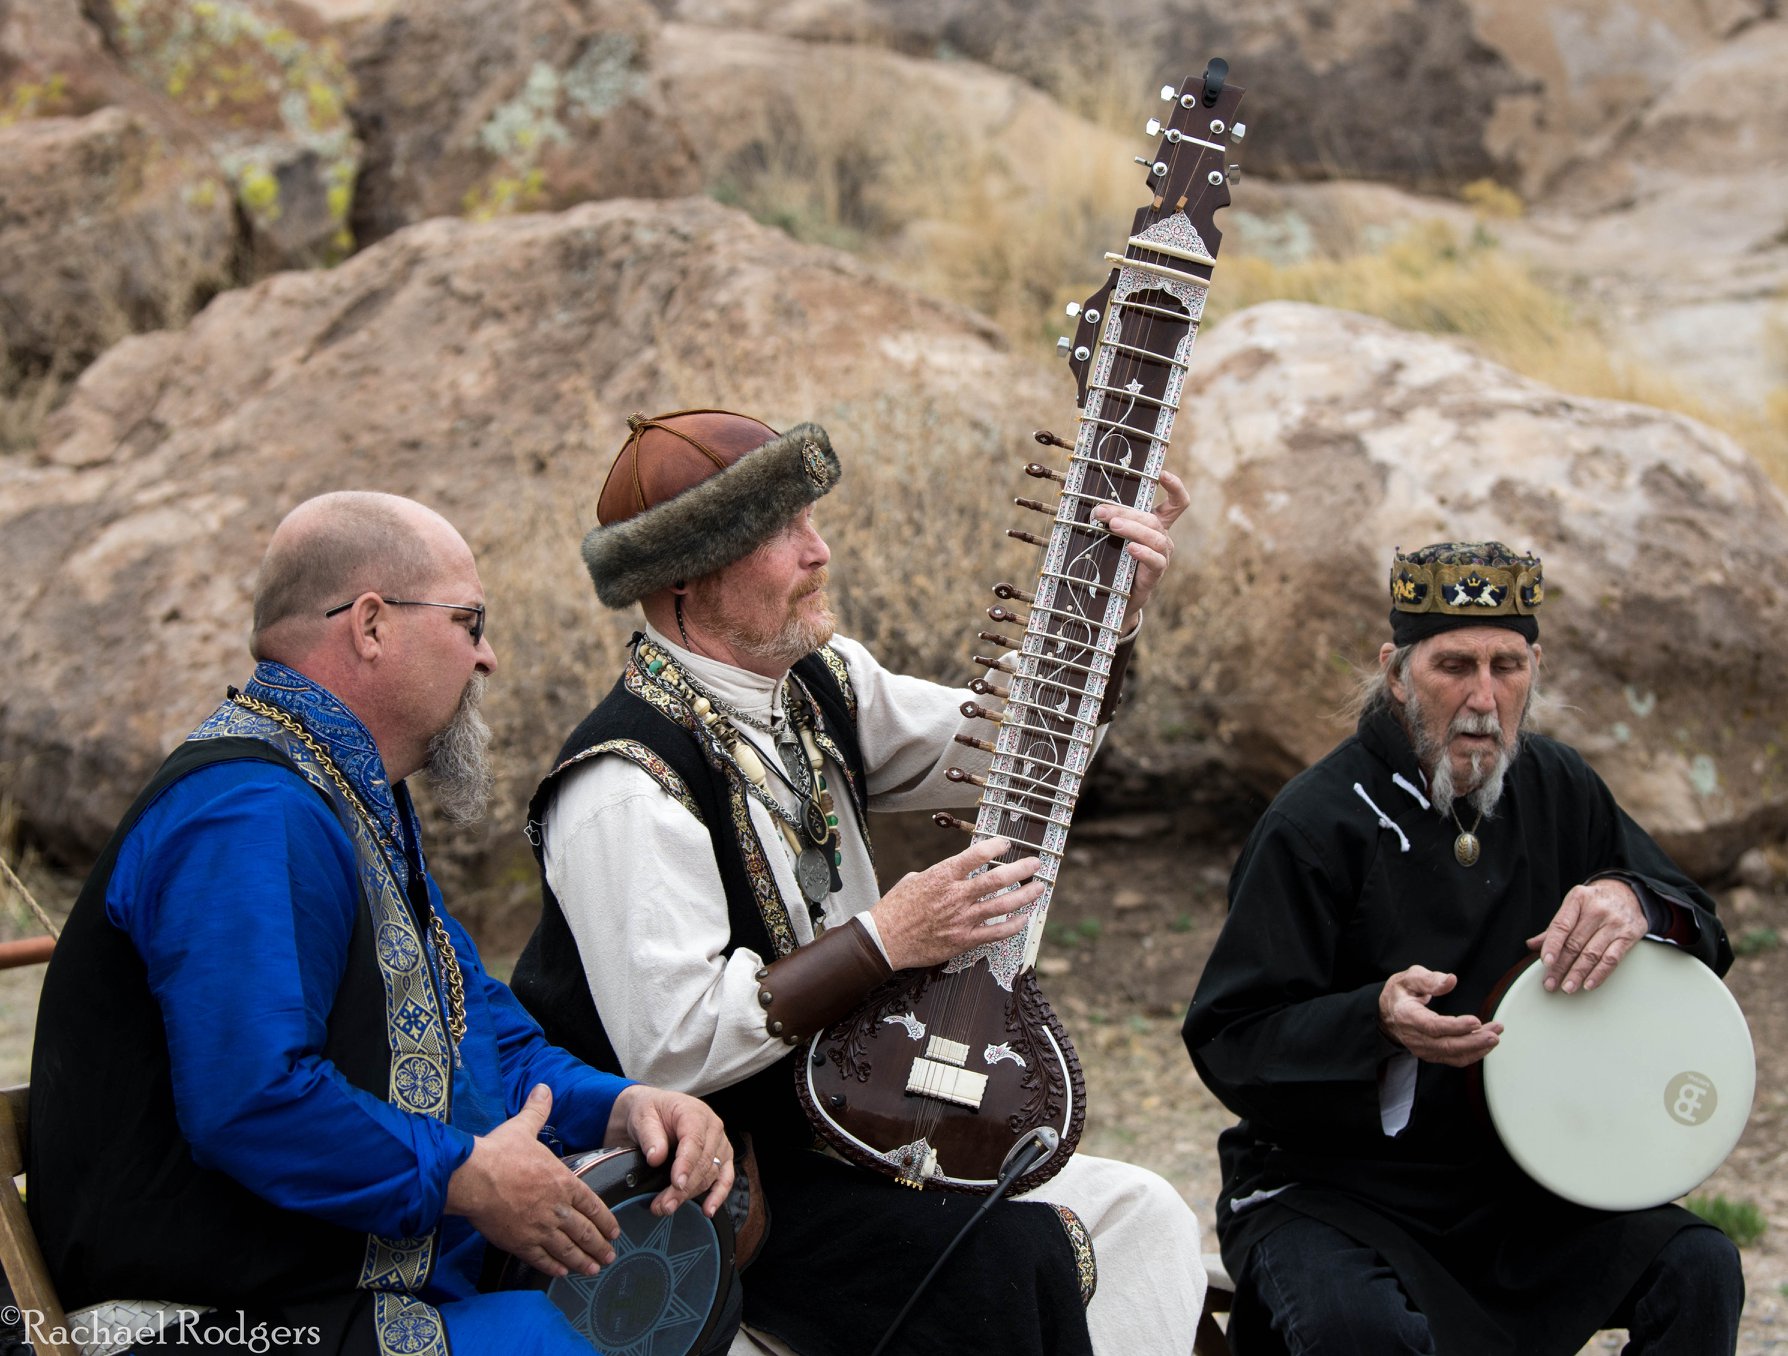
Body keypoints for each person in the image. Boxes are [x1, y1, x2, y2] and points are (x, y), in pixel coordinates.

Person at [511, 409, 1207, 1355]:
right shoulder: (624, 783)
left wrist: (1107, 617)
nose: (819, 549)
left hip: (854, 1128)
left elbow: (1015, 745)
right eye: (780, 532)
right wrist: (886, 939)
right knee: (1015, 1252)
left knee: (1148, 1214)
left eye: (811, 519)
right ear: (683, 574)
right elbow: (671, 1050)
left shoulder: (817, 684)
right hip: (726, 1185)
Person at [28, 491, 734, 1356]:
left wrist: (623, 1108)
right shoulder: (248, 812)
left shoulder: (348, 796)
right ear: (369, 625)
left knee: (688, 1290)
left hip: (332, 1281)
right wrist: (467, 1176)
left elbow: (484, 1041)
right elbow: (251, 1102)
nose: (490, 658)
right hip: (208, 1314)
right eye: (469, 622)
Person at [1182, 540, 1745, 1356]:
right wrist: (1373, 1021)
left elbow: (1699, 919)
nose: (1484, 697)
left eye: (1507, 666)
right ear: (1396, 672)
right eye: (1454, 665)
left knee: (1699, 1268)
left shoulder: (1560, 787)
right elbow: (1230, 1039)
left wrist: (1636, 899)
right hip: (1337, 1191)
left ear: (1534, 668)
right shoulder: (1315, 824)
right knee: (1356, 1330)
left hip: (1521, 1187)